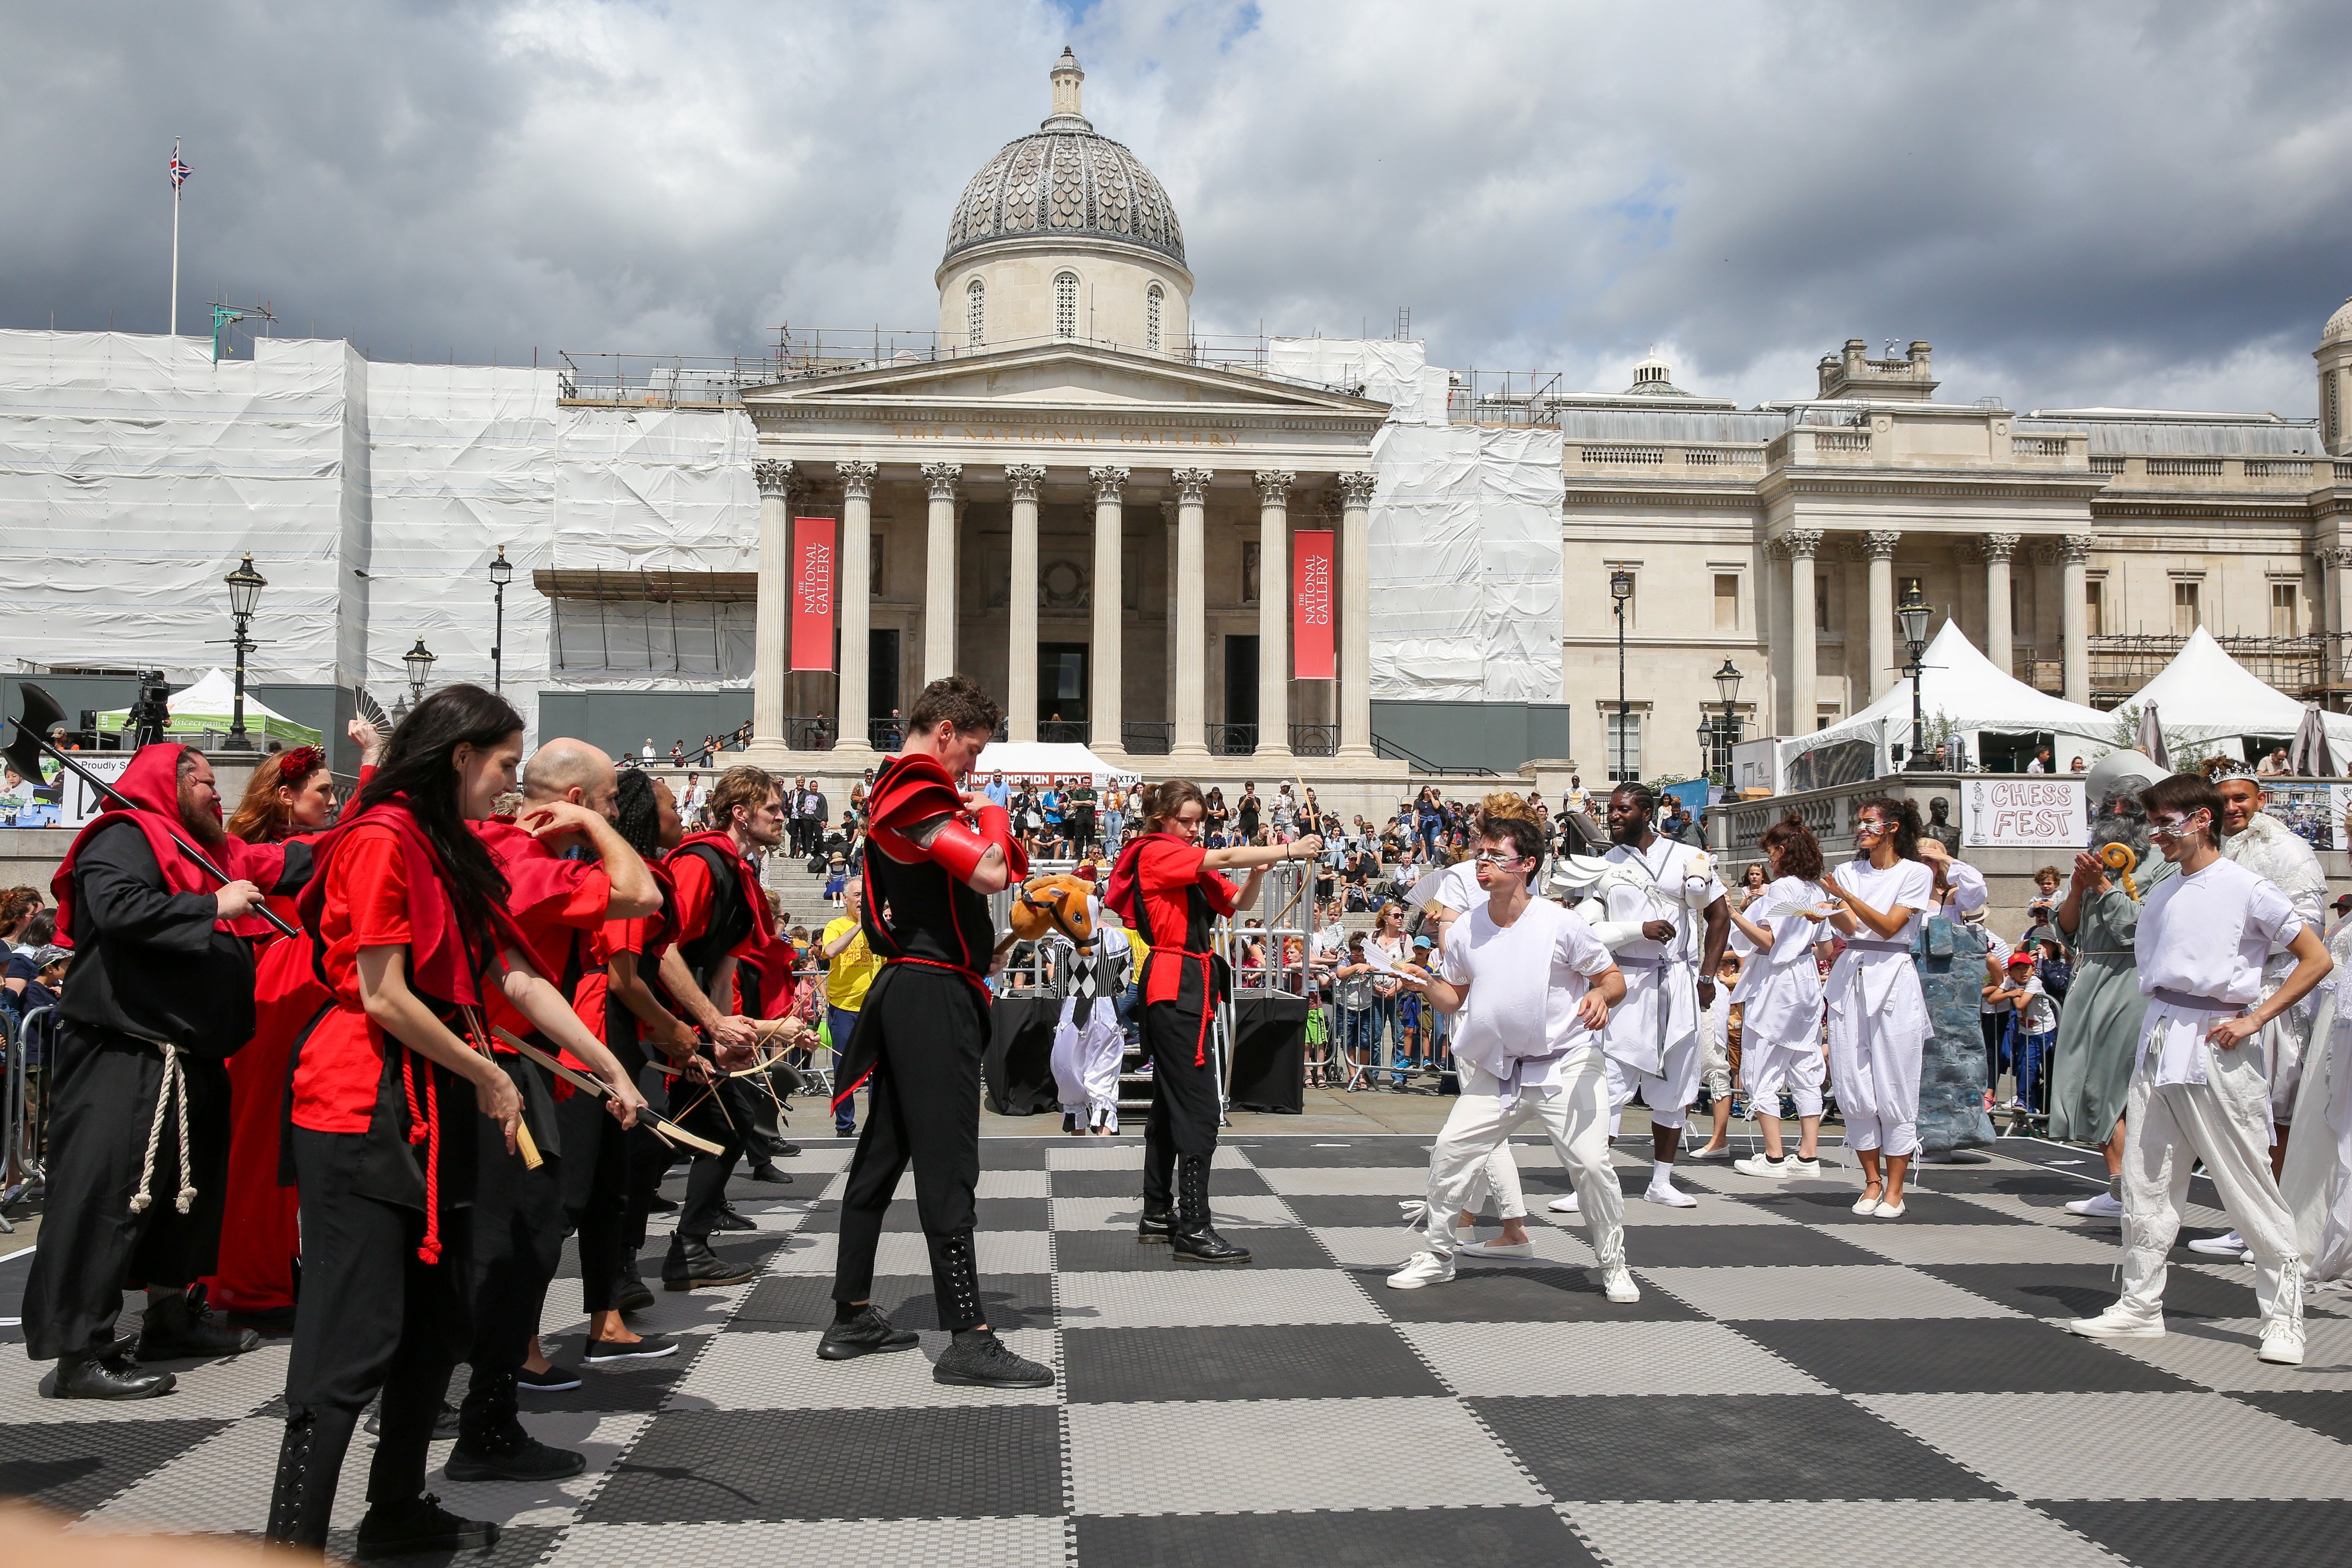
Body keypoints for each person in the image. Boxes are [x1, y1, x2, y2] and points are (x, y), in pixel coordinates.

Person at [260, 687, 648, 1556]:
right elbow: (383, 991)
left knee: (437, 1322)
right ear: (462, 755)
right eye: (507, 764)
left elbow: (512, 971)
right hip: (360, 1101)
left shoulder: (446, 845)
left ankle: (396, 1510)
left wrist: (611, 1065)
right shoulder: (380, 836)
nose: (514, 783)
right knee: (349, 1336)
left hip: (429, 1101)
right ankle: (291, 1543)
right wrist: (487, 1073)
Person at [21, 745, 309, 1401]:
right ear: (168, 784)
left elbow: (292, 860)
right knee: (107, 1202)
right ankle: (79, 1353)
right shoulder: (123, 836)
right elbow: (118, 908)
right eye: (207, 784)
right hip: (126, 1056)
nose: (218, 797)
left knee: (189, 1201)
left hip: (192, 1058)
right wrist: (213, 909)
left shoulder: (206, 852)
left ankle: (171, 1318)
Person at [821, 674, 1050, 1388]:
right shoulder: (916, 783)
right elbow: (988, 871)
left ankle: (852, 1311)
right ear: (944, 731)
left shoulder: (907, 786)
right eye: (972, 752)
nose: (973, 770)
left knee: (884, 1151)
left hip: (919, 984)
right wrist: (996, 815)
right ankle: (967, 1337)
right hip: (929, 992)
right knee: (947, 1158)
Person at [450, 739, 663, 1478]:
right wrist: (598, 831)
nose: (616, 812)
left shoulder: (493, 848)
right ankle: (489, 1410)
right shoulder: (520, 858)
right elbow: (643, 895)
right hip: (494, 1065)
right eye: (608, 801)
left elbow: (519, 978)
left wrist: (609, 1069)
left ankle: (489, 1404)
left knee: (519, 1231)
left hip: (504, 1057)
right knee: (521, 1235)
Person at [2068, 773, 2328, 1367]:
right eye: (2153, 822)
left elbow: (2316, 958)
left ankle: (2283, 1319)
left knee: (2247, 1183)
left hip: (2218, 1040)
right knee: (2146, 1176)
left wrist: (2255, 1018)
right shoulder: (2162, 891)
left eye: (2165, 822)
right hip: (2160, 1036)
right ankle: (2140, 1302)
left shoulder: (2247, 886)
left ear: (2201, 820)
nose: (2155, 834)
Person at [1384, 798, 1636, 1298]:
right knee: (1450, 1151)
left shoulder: (1560, 922)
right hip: (1499, 1069)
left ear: (1527, 865)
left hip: (1567, 1063)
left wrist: (1600, 994)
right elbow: (1453, 996)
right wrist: (1419, 979)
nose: (1483, 862)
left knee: (1590, 1163)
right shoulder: (1467, 928)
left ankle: (1613, 1263)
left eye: (1497, 856)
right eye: (1481, 853)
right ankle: (1437, 1255)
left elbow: (1613, 978)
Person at [1104, 779, 1318, 1266]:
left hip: (1181, 981)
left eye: (1198, 820)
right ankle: (1194, 1226)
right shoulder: (1158, 851)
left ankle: (1159, 1213)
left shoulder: (1178, 855)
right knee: (1199, 1106)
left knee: (1169, 1103)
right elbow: (1220, 861)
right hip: (1175, 981)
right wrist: (1288, 848)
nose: (1195, 827)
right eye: (1187, 819)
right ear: (1162, 818)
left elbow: (1238, 902)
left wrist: (1261, 872)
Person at [207, 732, 380, 1329]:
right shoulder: (267, 853)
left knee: (277, 1144)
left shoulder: (290, 848)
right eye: (323, 792)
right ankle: (251, 1279)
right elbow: (349, 836)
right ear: (285, 796)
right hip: (282, 992)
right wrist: (375, 763)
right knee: (262, 1142)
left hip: (295, 988)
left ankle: (271, 1268)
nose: (333, 801)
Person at [1563, 783, 1730, 1209]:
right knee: (1608, 1085)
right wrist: (1638, 929)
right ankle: (1591, 1182)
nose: (1614, 816)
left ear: (1646, 811)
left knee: (1675, 1083)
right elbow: (1588, 927)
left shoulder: (1686, 857)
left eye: (1622, 810)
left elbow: (1719, 916)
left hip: (1676, 981)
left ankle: (1661, 1180)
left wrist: (1708, 975)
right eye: (1612, 811)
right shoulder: (1605, 864)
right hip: (1624, 983)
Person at [656, 765, 792, 1285]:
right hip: (656, 1023)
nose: (783, 818)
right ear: (741, 813)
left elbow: (721, 966)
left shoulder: (739, 870)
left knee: (728, 1124)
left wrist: (723, 1034)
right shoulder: (700, 864)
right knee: (646, 1144)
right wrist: (710, 1022)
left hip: (691, 1025)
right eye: (773, 811)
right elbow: (662, 947)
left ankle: (688, 1247)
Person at [1817, 796, 1939, 1217]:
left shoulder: (1916, 873)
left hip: (1894, 975)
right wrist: (1831, 910)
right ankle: (1871, 1181)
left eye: (1869, 822)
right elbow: (1851, 926)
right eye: (1860, 822)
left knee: (1896, 1081)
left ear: (1891, 826)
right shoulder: (1850, 871)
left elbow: (1890, 926)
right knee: (1852, 1080)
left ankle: (1896, 1188)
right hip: (1851, 972)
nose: (1861, 828)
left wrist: (1845, 896)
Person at [1723, 816, 1831, 1178]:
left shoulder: (1782, 889)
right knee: (1805, 1061)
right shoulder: (1817, 892)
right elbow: (1825, 947)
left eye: (1771, 853)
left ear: (1782, 852)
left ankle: (1773, 1155)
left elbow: (1769, 941)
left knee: (1762, 1062)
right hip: (1805, 978)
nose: (1769, 861)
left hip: (1779, 981)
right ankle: (1808, 1155)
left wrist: (1734, 913)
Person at [819, 875, 880, 1138]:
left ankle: (879, 1121)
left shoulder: (878, 926)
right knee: (844, 1067)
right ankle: (845, 1125)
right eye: (857, 896)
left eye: (865, 896)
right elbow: (831, 952)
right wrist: (859, 927)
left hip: (874, 1008)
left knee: (878, 1068)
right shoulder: (835, 925)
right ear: (845, 899)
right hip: (844, 1008)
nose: (862, 901)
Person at [1987, 952, 2058, 1113]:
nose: (2023, 972)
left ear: (2033, 969)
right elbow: (1992, 999)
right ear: (2010, 973)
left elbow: (2020, 1005)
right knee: (2022, 1066)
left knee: (2030, 1065)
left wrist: (2011, 995)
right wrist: (2010, 992)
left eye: (2026, 968)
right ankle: (2029, 1108)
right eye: (2017, 969)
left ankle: (2024, 1101)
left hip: (2043, 1031)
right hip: (2025, 1031)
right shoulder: (2011, 981)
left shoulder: (2034, 982)